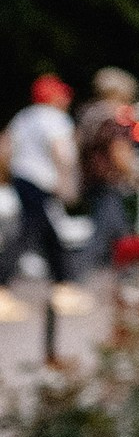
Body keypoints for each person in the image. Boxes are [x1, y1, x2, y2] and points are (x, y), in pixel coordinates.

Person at [5, 72, 86, 300]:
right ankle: (4, 284)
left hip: (22, 178)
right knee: (31, 231)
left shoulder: (25, 116)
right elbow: (61, 153)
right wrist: (67, 184)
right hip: (42, 182)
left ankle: (63, 282)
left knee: (45, 232)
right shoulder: (54, 118)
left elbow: (7, 147)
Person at [75, 67, 139, 266]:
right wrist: (134, 173)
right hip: (109, 179)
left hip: (91, 178)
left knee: (117, 230)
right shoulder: (114, 117)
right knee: (105, 234)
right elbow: (118, 149)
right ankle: (79, 277)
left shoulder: (88, 114)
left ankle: (124, 275)